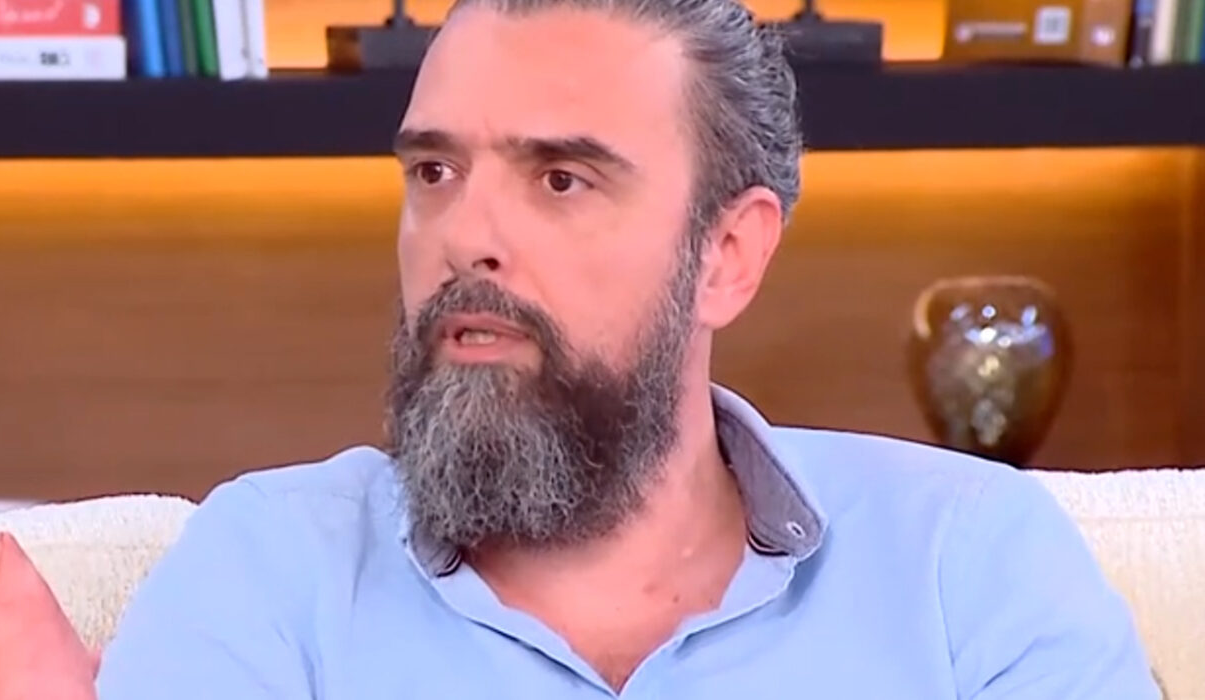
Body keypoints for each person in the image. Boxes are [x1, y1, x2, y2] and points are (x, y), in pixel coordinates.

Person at [95, 0, 1161, 697]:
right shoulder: (268, 572)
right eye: (435, 174)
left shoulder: (967, 565)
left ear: (727, 256)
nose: (466, 237)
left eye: (561, 179)